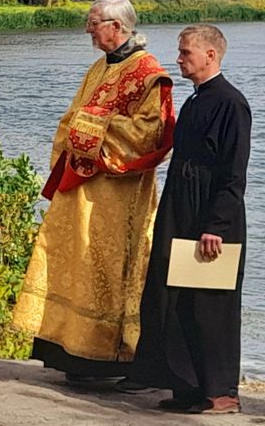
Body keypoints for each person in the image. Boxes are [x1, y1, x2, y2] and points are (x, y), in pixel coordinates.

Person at [12, 0, 175, 381]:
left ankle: (108, 358)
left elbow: (151, 135)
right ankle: (71, 354)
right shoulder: (100, 67)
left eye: (93, 23)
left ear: (117, 27)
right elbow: (73, 118)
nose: (87, 30)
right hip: (81, 186)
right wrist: (81, 128)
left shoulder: (148, 75)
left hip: (118, 196)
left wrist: (90, 127)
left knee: (105, 268)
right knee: (74, 261)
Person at [127, 25, 250, 414]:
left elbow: (234, 174)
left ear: (210, 55)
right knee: (173, 298)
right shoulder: (195, 102)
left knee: (211, 305)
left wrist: (216, 226)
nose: (178, 59)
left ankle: (221, 394)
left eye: (185, 53)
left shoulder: (231, 104)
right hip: (180, 208)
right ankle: (188, 386)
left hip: (214, 217)